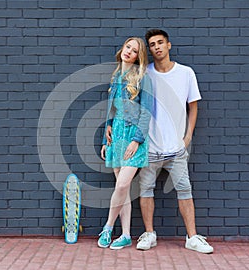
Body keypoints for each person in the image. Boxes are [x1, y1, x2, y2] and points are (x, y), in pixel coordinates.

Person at [136, 29, 214, 254]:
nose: (157, 47)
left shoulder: (186, 73)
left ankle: (192, 237)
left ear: (168, 45)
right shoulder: (145, 74)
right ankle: (149, 234)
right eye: (152, 44)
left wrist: (187, 137)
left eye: (160, 43)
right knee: (146, 190)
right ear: (149, 50)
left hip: (176, 149)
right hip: (149, 147)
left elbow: (193, 106)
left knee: (185, 190)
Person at [98, 37, 153, 250]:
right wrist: (106, 135)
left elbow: (147, 112)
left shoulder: (143, 77)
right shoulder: (115, 77)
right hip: (116, 136)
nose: (129, 51)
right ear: (122, 48)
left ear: (139, 57)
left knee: (121, 185)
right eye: (128, 47)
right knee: (123, 189)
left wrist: (137, 140)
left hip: (134, 136)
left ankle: (108, 227)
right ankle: (127, 234)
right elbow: (110, 110)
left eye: (135, 50)